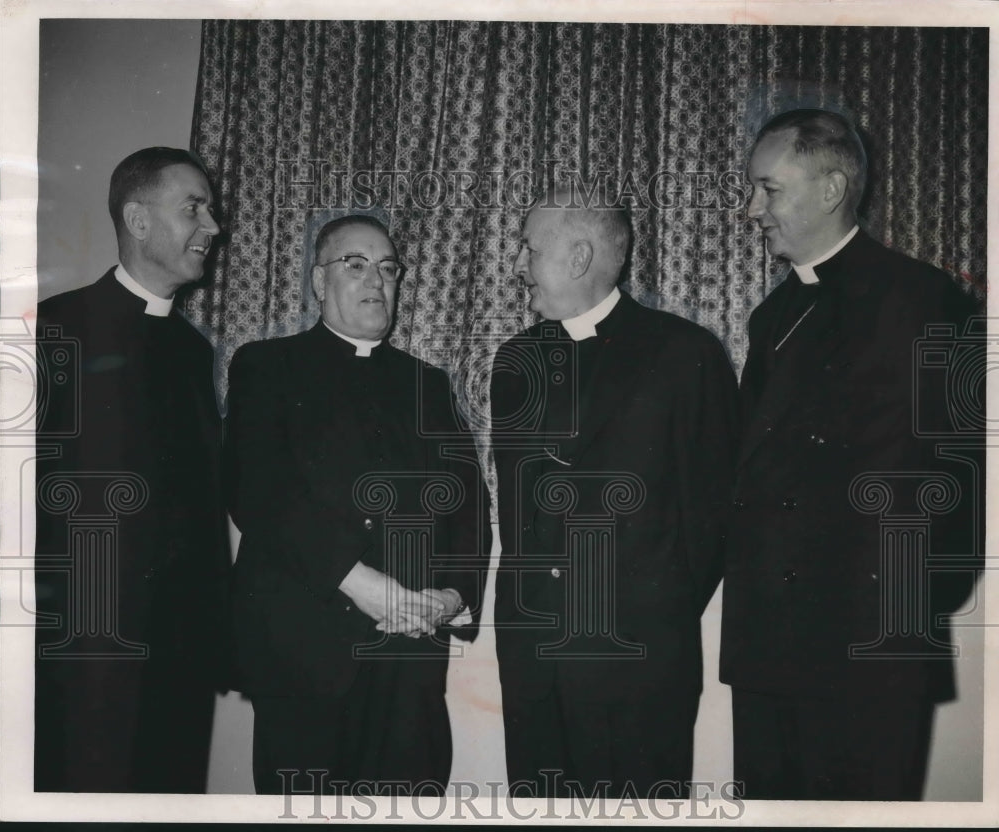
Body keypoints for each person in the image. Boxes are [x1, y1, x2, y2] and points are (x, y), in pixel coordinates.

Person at [721, 108, 983, 800]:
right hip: (771, 649)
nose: (752, 210)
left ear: (832, 189)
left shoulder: (925, 299)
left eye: (768, 190)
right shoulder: (771, 316)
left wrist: (907, 607)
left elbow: (958, 474)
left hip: (869, 651)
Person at [225, 214, 488, 795]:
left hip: (410, 659)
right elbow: (260, 492)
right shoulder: (265, 365)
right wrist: (358, 580)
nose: (377, 280)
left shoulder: (429, 385)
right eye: (356, 264)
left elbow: (468, 505)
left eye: (389, 269)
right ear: (318, 282)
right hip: (304, 656)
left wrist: (451, 594)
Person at [490, 191, 739, 798]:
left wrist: (649, 610)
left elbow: (714, 515)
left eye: (529, 248)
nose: (516, 263)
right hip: (533, 661)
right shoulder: (513, 361)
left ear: (578, 257)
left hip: (637, 663)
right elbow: (519, 518)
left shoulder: (686, 353)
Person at [34, 147, 231, 792]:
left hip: (179, 649)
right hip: (83, 651)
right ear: (138, 221)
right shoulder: (53, 328)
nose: (212, 226)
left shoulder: (194, 351)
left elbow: (201, 506)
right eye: (193, 208)